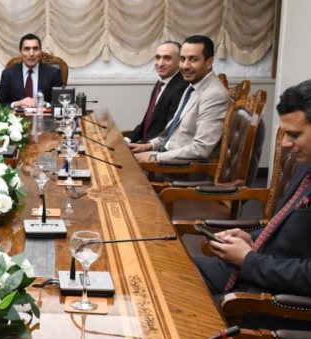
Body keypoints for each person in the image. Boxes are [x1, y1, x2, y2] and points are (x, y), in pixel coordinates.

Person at [195, 79, 311, 297]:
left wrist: (248, 260)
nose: (285, 143)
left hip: (273, 296)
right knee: (165, 271)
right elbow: (286, 229)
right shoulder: (307, 164)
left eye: (294, 135)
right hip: (255, 268)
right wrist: (252, 238)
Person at [129, 35, 230, 163]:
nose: (185, 66)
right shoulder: (191, 87)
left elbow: (201, 149)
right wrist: (148, 146)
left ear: (209, 62)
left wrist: (153, 157)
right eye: (182, 59)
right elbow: (172, 134)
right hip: (166, 158)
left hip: (181, 170)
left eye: (193, 59)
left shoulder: (214, 95)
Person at [126, 41, 187, 143]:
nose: (160, 63)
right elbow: (147, 122)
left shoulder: (181, 87)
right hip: (145, 143)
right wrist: (128, 139)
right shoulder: (160, 83)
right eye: (158, 57)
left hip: (156, 148)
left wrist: (145, 146)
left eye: (167, 58)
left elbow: (170, 131)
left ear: (179, 61)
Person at [0, 33, 63, 108]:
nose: (31, 54)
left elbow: (59, 103)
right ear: (20, 52)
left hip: (43, 114)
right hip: (18, 115)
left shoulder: (54, 73)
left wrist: (44, 104)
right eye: (27, 49)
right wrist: (18, 103)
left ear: (40, 52)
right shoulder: (8, 74)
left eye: (35, 49)